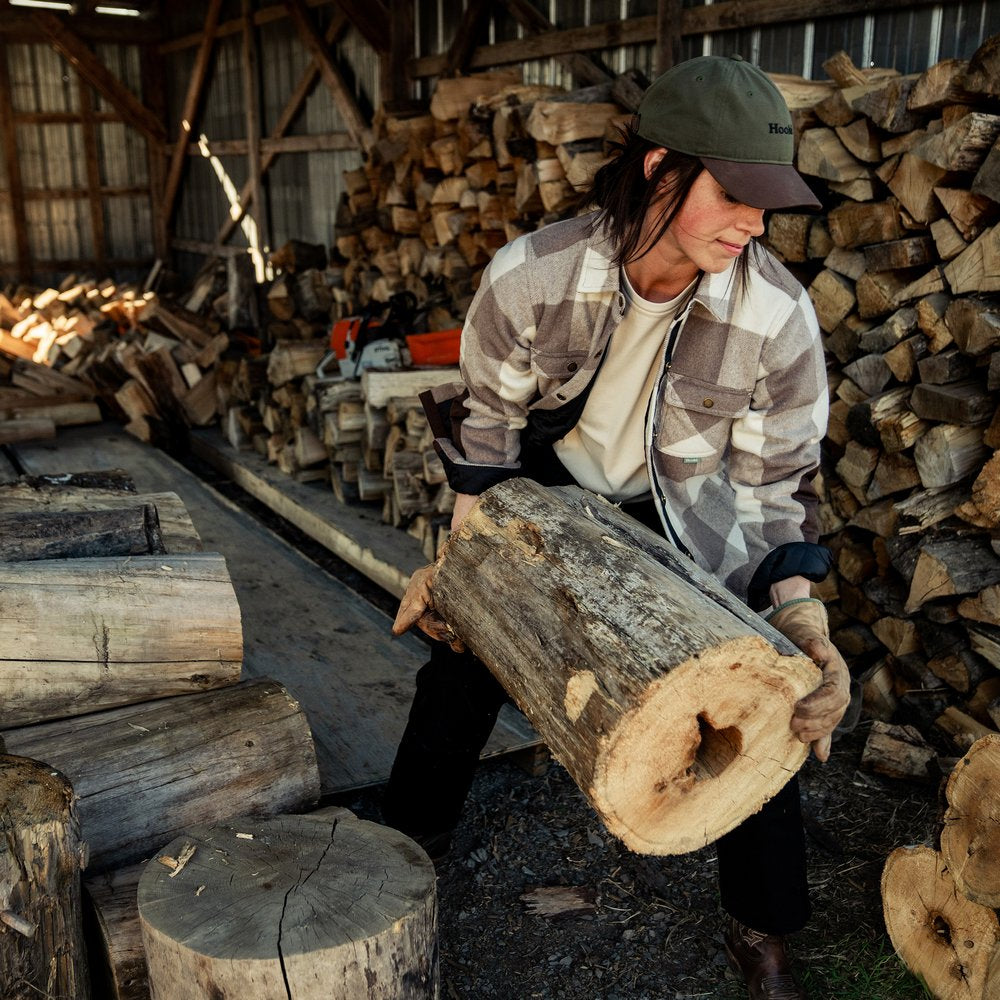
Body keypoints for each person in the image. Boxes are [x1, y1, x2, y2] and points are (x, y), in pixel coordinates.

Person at [384, 54, 852, 1000]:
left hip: (683, 517)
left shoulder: (777, 316)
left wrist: (799, 618)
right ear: (660, 166)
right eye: (736, 194)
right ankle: (404, 848)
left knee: (762, 686)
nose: (756, 224)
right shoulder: (533, 277)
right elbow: (485, 435)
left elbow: (772, 488)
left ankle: (761, 934)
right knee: (462, 663)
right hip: (548, 492)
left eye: (768, 204)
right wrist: (463, 567)